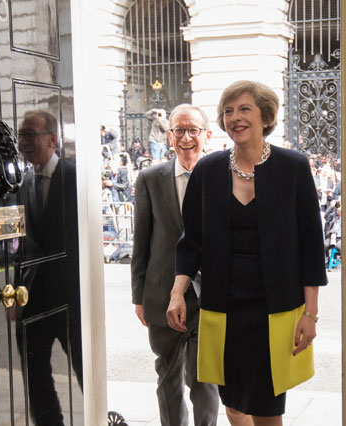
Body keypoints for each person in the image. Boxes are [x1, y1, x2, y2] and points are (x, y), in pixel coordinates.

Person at [167, 81, 328, 426]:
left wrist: (310, 314)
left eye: (244, 109)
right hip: (224, 308)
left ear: (265, 116)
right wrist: (177, 292)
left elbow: (311, 245)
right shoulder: (207, 172)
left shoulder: (293, 167)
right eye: (228, 111)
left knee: (268, 408)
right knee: (235, 404)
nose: (235, 118)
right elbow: (190, 240)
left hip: (276, 310)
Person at [132, 104, 219, 426]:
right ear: (169, 136)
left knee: (204, 377)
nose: (186, 137)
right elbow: (141, 242)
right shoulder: (150, 179)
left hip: (209, 297)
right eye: (179, 130)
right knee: (168, 376)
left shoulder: (223, 177)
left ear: (206, 135)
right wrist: (139, 297)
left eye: (193, 130)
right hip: (161, 294)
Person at [16, 110, 82, 426]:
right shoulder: (23, 183)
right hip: (32, 301)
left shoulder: (75, 178)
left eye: (31, 134)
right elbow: (18, 246)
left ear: (53, 139)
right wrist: (14, 294)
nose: (23, 142)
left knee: (85, 370)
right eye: (21, 135)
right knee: (36, 376)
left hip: (70, 301)